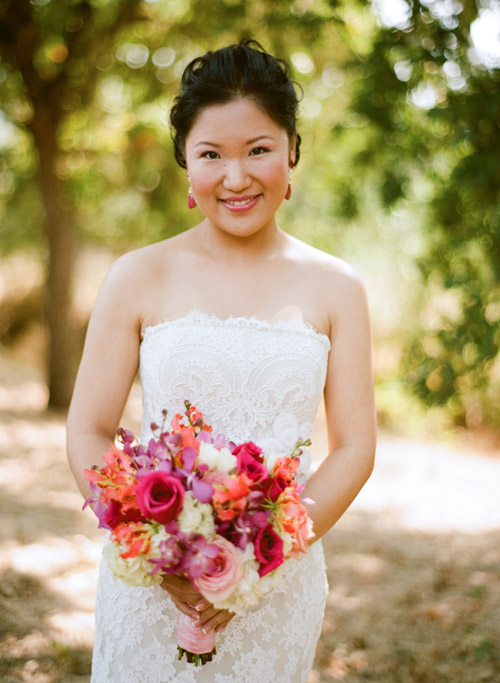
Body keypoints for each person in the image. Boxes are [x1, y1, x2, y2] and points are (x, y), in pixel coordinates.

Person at [67, 39, 376, 683]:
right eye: (212, 155)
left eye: (258, 150)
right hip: (153, 586)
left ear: (292, 151)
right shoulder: (136, 276)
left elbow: (354, 448)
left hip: (280, 581)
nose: (236, 178)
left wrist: (260, 560)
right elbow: (91, 430)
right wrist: (155, 551)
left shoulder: (336, 287)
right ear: (186, 162)